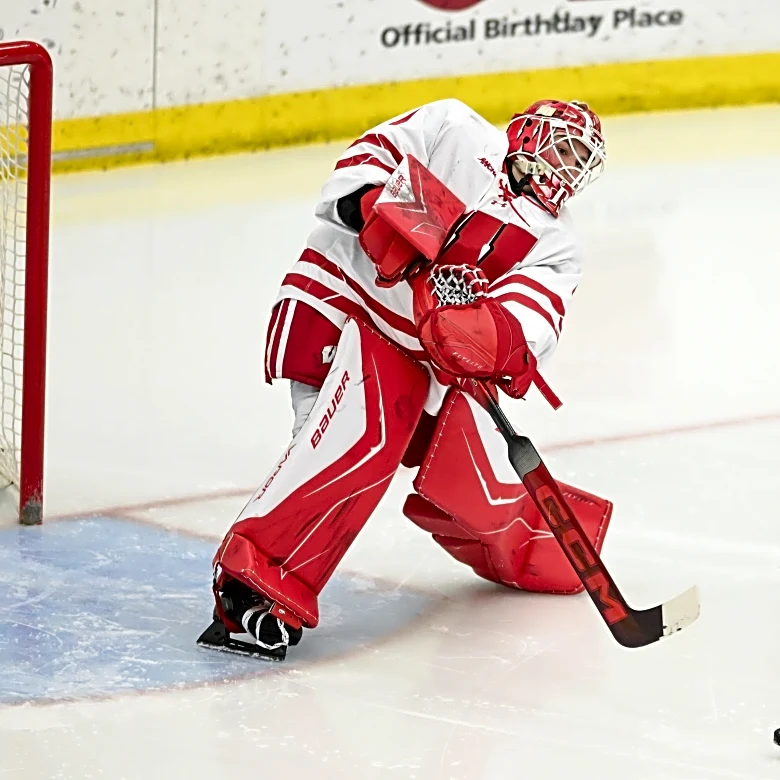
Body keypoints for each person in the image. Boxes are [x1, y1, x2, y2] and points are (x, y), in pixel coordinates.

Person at [199, 98, 615, 659]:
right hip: (340, 301)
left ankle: (540, 546)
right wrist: (380, 210)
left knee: (465, 480)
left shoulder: (557, 244)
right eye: (563, 147)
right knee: (360, 443)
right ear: (530, 129)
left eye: (579, 161)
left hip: (416, 355)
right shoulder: (455, 128)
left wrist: (483, 334)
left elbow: (527, 323)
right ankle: (254, 590)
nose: (566, 167)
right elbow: (365, 163)